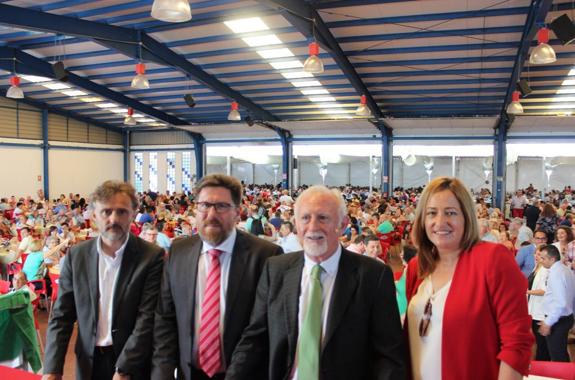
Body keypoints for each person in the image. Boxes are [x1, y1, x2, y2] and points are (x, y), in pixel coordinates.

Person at [226, 185, 406, 380]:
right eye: (305, 218)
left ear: (343, 224)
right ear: (296, 223)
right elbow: (254, 339)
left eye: (323, 218)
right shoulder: (276, 270)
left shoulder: (373, 276)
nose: (313, 227)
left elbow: (388, 356)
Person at [152, 174, 283, 380]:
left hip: (244, 374)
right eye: (205, 205)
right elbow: (165, 318)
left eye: (221, 206)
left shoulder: (266, 256)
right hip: (189, 372)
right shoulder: (179, 251)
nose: (211, 214)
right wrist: (163, 373)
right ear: (196, 209)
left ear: (237, 212)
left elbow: (262, 328)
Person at [406, 177, 533, 380]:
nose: (440, 222)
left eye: (451, 213)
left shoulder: (493, 259)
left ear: (466, 217)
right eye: (431, 213)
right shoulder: (417, 267)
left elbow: (516, 342)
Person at [42, 180, 165, 380]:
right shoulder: (77, 256)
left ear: (133, 214)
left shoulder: (151, 256)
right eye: (106, 212)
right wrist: (52, 368)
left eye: (122, 212)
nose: (113, 219)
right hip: (88, 362)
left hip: (133, 364)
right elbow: (61, 315)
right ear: (93, 215)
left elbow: (147, 318)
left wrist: (125, 368)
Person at [538, 244, 575, 362]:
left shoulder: (556, 273)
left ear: (552, 259)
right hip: (564, 317)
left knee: (557, 356)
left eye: (543, 258)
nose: (541, 260)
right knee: (560, 353)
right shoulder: (565, 269)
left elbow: (560, 302)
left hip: (558, 319)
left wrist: (548, 322)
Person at [526, 244, 549, 361]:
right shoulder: (536, 268)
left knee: (541, 344)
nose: (536, 256)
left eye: (539, 254)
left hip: (540, 311)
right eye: (536, 253)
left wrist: (527, 291)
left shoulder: (545, 270)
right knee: (536, 341)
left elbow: (544, 290)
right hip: (533, 310)